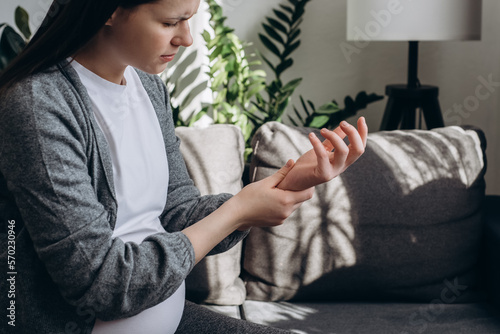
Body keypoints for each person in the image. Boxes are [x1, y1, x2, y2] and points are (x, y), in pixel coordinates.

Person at [0, 0, 368, 333]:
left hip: (169, 319)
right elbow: (101, 284)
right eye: (171, 22)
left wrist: (284, 182)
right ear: (110, 10)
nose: (187, 39)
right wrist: (237, 212)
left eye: (189, 20)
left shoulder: (148, 87)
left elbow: (178, 211)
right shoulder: (37, 106)